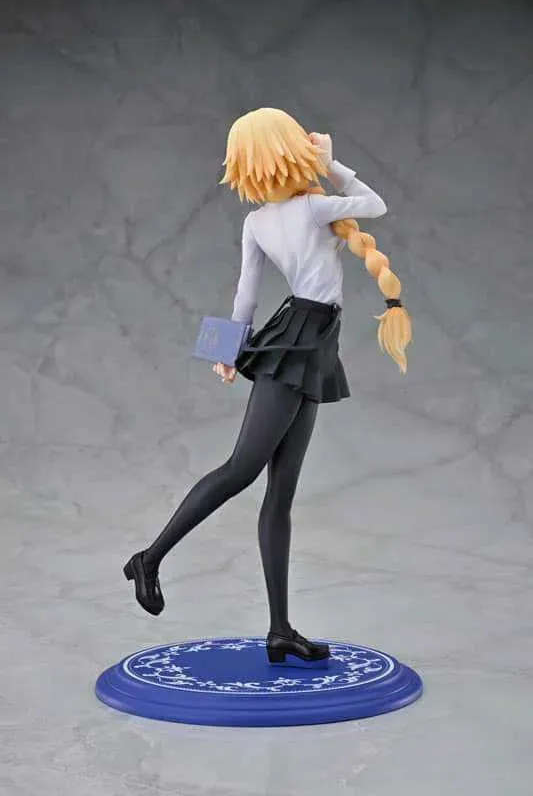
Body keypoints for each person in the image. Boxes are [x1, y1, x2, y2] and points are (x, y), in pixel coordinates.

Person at [124, 108, 412, 665]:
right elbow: (375, 204)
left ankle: (280, 630)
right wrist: (332, 165)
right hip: (298, 339)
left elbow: (245, 295)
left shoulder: (258, 222)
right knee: (242, 469)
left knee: (281, 495)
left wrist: (226, 350)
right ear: (286, 153)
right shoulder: (313, 208)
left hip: (311, 341)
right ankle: (149, 558)